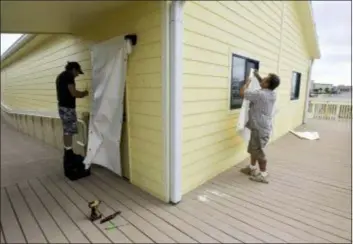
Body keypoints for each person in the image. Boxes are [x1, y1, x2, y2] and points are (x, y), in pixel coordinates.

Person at [239, 70, 280, 183]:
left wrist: (247, 82)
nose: (263, 80)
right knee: (254, 149)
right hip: (260, 126)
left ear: (267, 84)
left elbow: (242, 93)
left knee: (258, 151)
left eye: (265, 80)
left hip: (259, 128)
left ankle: (263, 174)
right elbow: (264, 82)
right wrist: (256, 75)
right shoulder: (272, 93)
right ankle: (252, 168)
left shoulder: (260, 94)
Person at [56, 61, 89, 160]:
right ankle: (69, 153)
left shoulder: (61, 76)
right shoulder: (68, 76)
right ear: (74, 70)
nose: (77, 75)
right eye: (78, 73)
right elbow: (73, 93)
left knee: (67, 130)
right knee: (68, 131)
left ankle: (68, 151)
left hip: (62, 107)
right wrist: (84, 93)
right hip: (67, 108)